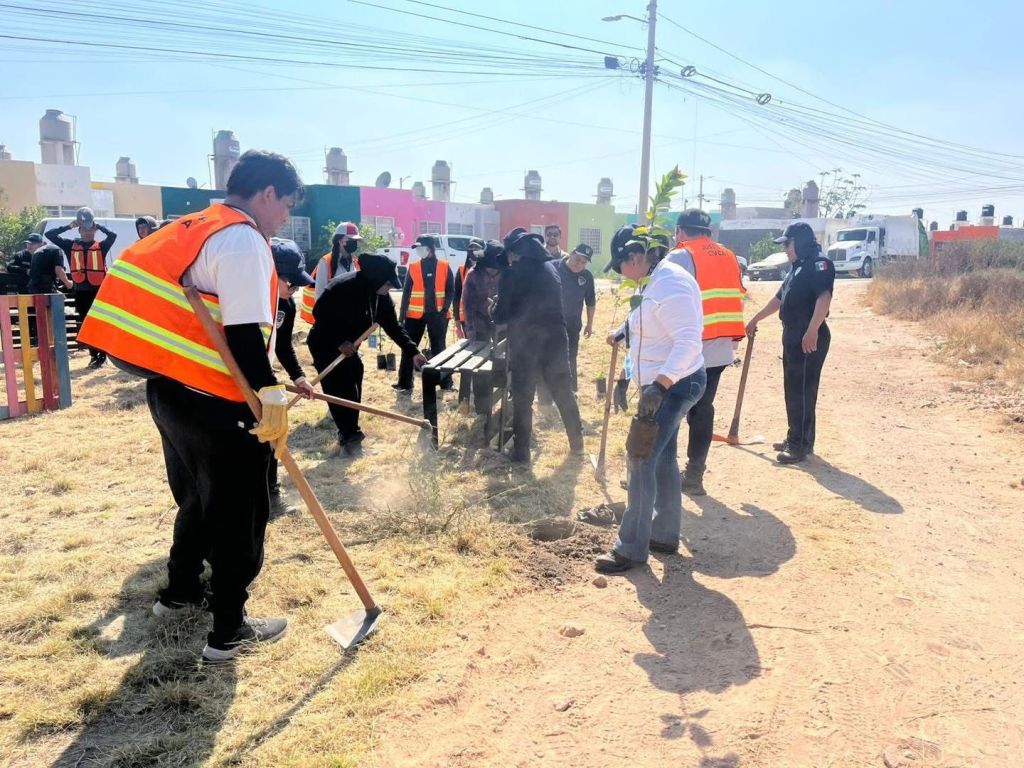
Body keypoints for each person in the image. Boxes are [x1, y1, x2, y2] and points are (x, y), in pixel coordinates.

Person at [78, 149, 304, 661]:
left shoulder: (190, 226)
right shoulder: (243, 239)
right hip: (219, 400)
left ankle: (179, 594)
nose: (285, 217)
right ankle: (228, 632)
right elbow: (244, 334)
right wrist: (268, 394)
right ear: (267, 193)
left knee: (200, 501)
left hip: (169, 390)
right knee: (241, 513)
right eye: (287, 205)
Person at [594, 235, 707, 575]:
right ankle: (663, 534)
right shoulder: (653, 281)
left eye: (621, 265)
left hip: (676, 384)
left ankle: (631, 547)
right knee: (661, 458)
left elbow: (688, 339)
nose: (621, 273)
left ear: (638, 255)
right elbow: (649, 322)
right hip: (666, 383)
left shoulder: (670, 284)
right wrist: (621, 332)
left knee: (639, 457)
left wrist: (659, 385)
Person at [309, 253, 427, 455]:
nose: (389, 288)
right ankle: (350, 439)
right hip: (326, 344)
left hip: (350, 348)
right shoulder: (342, 287)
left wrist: (413, 351)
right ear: (376, 279)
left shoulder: (380, 297)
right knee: (340, 389)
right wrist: (340, 342)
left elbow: (393, 327)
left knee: (355, 380)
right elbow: (319, 314)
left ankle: (351, 434)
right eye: (388, 284)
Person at [666, 209, 747, 495]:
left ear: (681, 231)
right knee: (703, 409)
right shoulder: (729, 255)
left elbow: (664, 299)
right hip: (721, 346)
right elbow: (737, 296)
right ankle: (694, 475)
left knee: (672, 409)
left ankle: (667, 473)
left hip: (689, 348)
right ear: (707, 232)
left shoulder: (680, 256)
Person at [745, 221, 834, 464]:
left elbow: (823, 298)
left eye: (788, 244)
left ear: (801, 242)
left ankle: (799, 446)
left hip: (809, 337)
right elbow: (779, 299)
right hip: (794, 335)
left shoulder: (819, 264)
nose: (785, 249)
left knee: (803, 391)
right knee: (793, 389)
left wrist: (812, 330)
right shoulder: (799, 266)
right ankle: (797, 437)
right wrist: (755, 319)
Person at [493, 227, 583, 463]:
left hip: (526, 341)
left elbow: (500, 317)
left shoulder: (511, 275)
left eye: (510, 254)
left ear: (515, 253)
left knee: (523, 395)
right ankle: (577, 445)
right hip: (556, 338)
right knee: (563, 391)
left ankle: (521, 453)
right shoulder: (551, 269)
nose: (509, 259)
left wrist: (495, 307)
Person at [267, 237, 316, 502]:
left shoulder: (285, 304)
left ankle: (271, 491)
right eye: (292, 283)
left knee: (273, 430)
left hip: (264, 375)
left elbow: (283, 346)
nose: (295, 289)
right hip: (234, 380)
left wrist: (299, 377)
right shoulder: (246, 298)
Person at [46, 207, 118, 368]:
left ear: (94, 230)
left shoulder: (101, 246)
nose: (88, 232)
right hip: (81, 292)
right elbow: (50, 235)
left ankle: (103, 355)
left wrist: (98, 225)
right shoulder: (69, 245)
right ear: (79, 230)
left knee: (100, 323)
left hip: (98, 292)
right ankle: (93, 355)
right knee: (86, 324)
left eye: (91, 229)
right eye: (84, 229)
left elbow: (113, 235)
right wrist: (68, 226)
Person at [395, 235, 454, 392]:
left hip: (437, 315)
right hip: (415, 315)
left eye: (421, 248)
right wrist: (401, 316)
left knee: (440, 348)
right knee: (409, 348)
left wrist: (444, 308)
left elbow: (450, 290)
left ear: (430, 249)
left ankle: (445, 383)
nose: (418, 251)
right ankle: (404, 382)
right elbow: (406, 291)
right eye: (417, 249)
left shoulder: (444, 266)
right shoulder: (413, 267)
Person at [299, 221, 361, 325]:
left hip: (351, 319)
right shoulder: (325, 261)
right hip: (332, 321)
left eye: (356, 240)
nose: (354, 243)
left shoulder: (355, 262)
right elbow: (319, 297)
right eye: (350, 240)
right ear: (340, 240)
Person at [557, 242, 596, 392]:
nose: (579, 264)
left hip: (573, 325)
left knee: (570, 358)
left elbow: (590, 302)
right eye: (577, 259)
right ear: (571, 254)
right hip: (551, 324)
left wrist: (590, 324)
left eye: (583, 262)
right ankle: (546, 397)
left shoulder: (587, 276)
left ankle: (571, 391)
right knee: (549, 359)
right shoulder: (555, 268)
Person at [453, 238, 484, 338]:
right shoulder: (462, 270)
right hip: (466, 317)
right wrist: (457, 320)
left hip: (484, 316)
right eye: (471, 248)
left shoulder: (488, 269)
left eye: (477, 248)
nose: (473, 251)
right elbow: (456, 296)